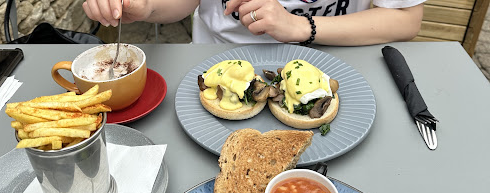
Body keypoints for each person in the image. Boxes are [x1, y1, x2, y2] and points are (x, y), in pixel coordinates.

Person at [83, 0, 425, 46]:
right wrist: (146, 7)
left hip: (335, 58)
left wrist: (301, 27)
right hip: (216, 63)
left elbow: (405, 19)